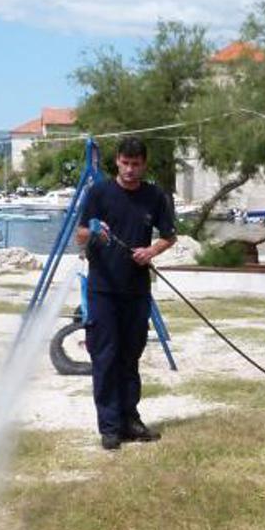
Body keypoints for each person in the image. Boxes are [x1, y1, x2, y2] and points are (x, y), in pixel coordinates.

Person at [75, 137, 177, 449]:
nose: (130, 170)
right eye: (125, 163)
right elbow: (79, 236)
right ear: (117, 161)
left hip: (136, 290)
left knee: (130, 357)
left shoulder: (154, 196)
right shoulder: (99, 192)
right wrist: (93, 231)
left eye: (136, 164)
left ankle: (131, 420)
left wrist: (151, 251)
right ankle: (109, 427)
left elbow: (169, 236)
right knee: (105, 358)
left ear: (144, 165)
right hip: (103, 289)